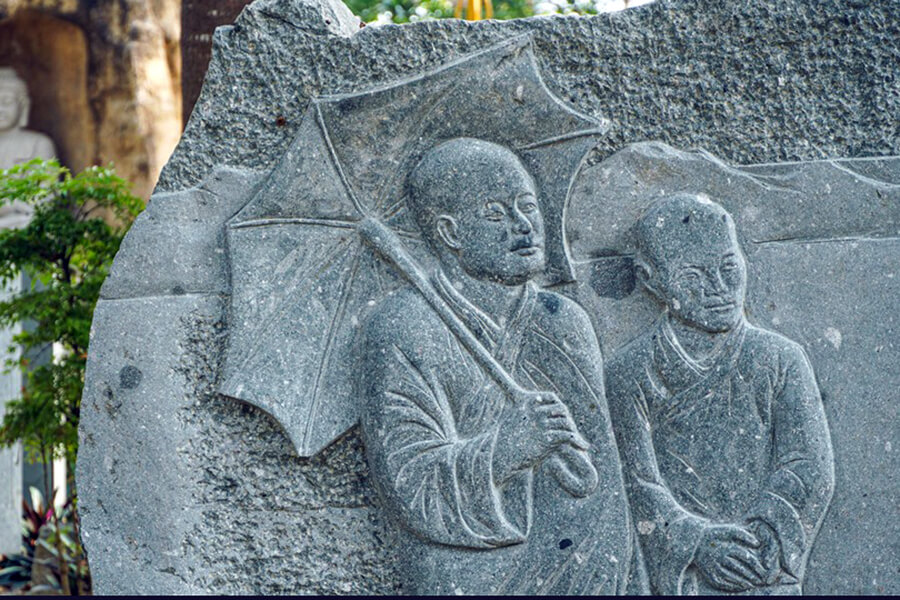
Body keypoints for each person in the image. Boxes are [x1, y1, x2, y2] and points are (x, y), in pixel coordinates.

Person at [360, 138, 645, 595]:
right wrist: (505, 450)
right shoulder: (404, 327)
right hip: (473, 577)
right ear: (451, 233)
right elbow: (409, 483)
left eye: (528, 206)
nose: (524, 226)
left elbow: (605, 481)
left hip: (581, 569)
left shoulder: (565, 322)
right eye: (496, 214)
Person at [605, 193, 835, 595]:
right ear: (651, 279)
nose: (719, 288)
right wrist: (696, 542)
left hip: (759, 566)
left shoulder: (780, 358)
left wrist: (765, 537)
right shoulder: (628, 373)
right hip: (680, 576)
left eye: (729, 268)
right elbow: (635, 484)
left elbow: (808, 466)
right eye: (693, 278)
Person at [0, 67, 56, 228]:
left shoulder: (39, 144)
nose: (1, 109)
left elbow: (48, 195)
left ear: (23, 105)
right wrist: (11, 204)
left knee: (33, 223)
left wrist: (23, 207)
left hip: (21, 221)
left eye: (7, 102)